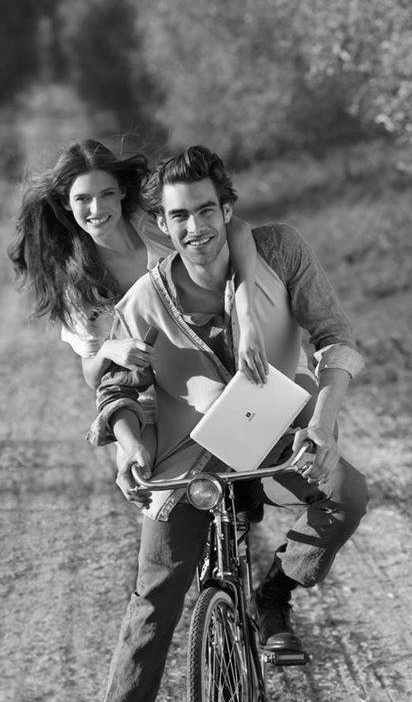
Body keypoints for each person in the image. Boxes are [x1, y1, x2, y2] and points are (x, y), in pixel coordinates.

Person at [88, 145, 369, 702]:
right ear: (163, 226)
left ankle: (273, 594)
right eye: (179, 216)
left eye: (206, 210)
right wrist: (128, 443)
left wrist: (323, 423)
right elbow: (114, 387)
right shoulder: (145, 301)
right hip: (186, 458)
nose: (196, 227)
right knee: (155, 599)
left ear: (226, 209)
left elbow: (334, 337)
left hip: (273, 435)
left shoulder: (279, 252)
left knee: (346, 494)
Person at [8, 139, 268, 399]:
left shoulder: (154, 222)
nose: (96, 209)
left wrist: (247, 320)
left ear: (121, 191)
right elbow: (91, 376)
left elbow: (236, 229)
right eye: (83, 199)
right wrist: (109, 350)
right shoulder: (76, 281)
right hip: (165, 395)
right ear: (66, 203)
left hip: (226, 348)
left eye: (106, 193)